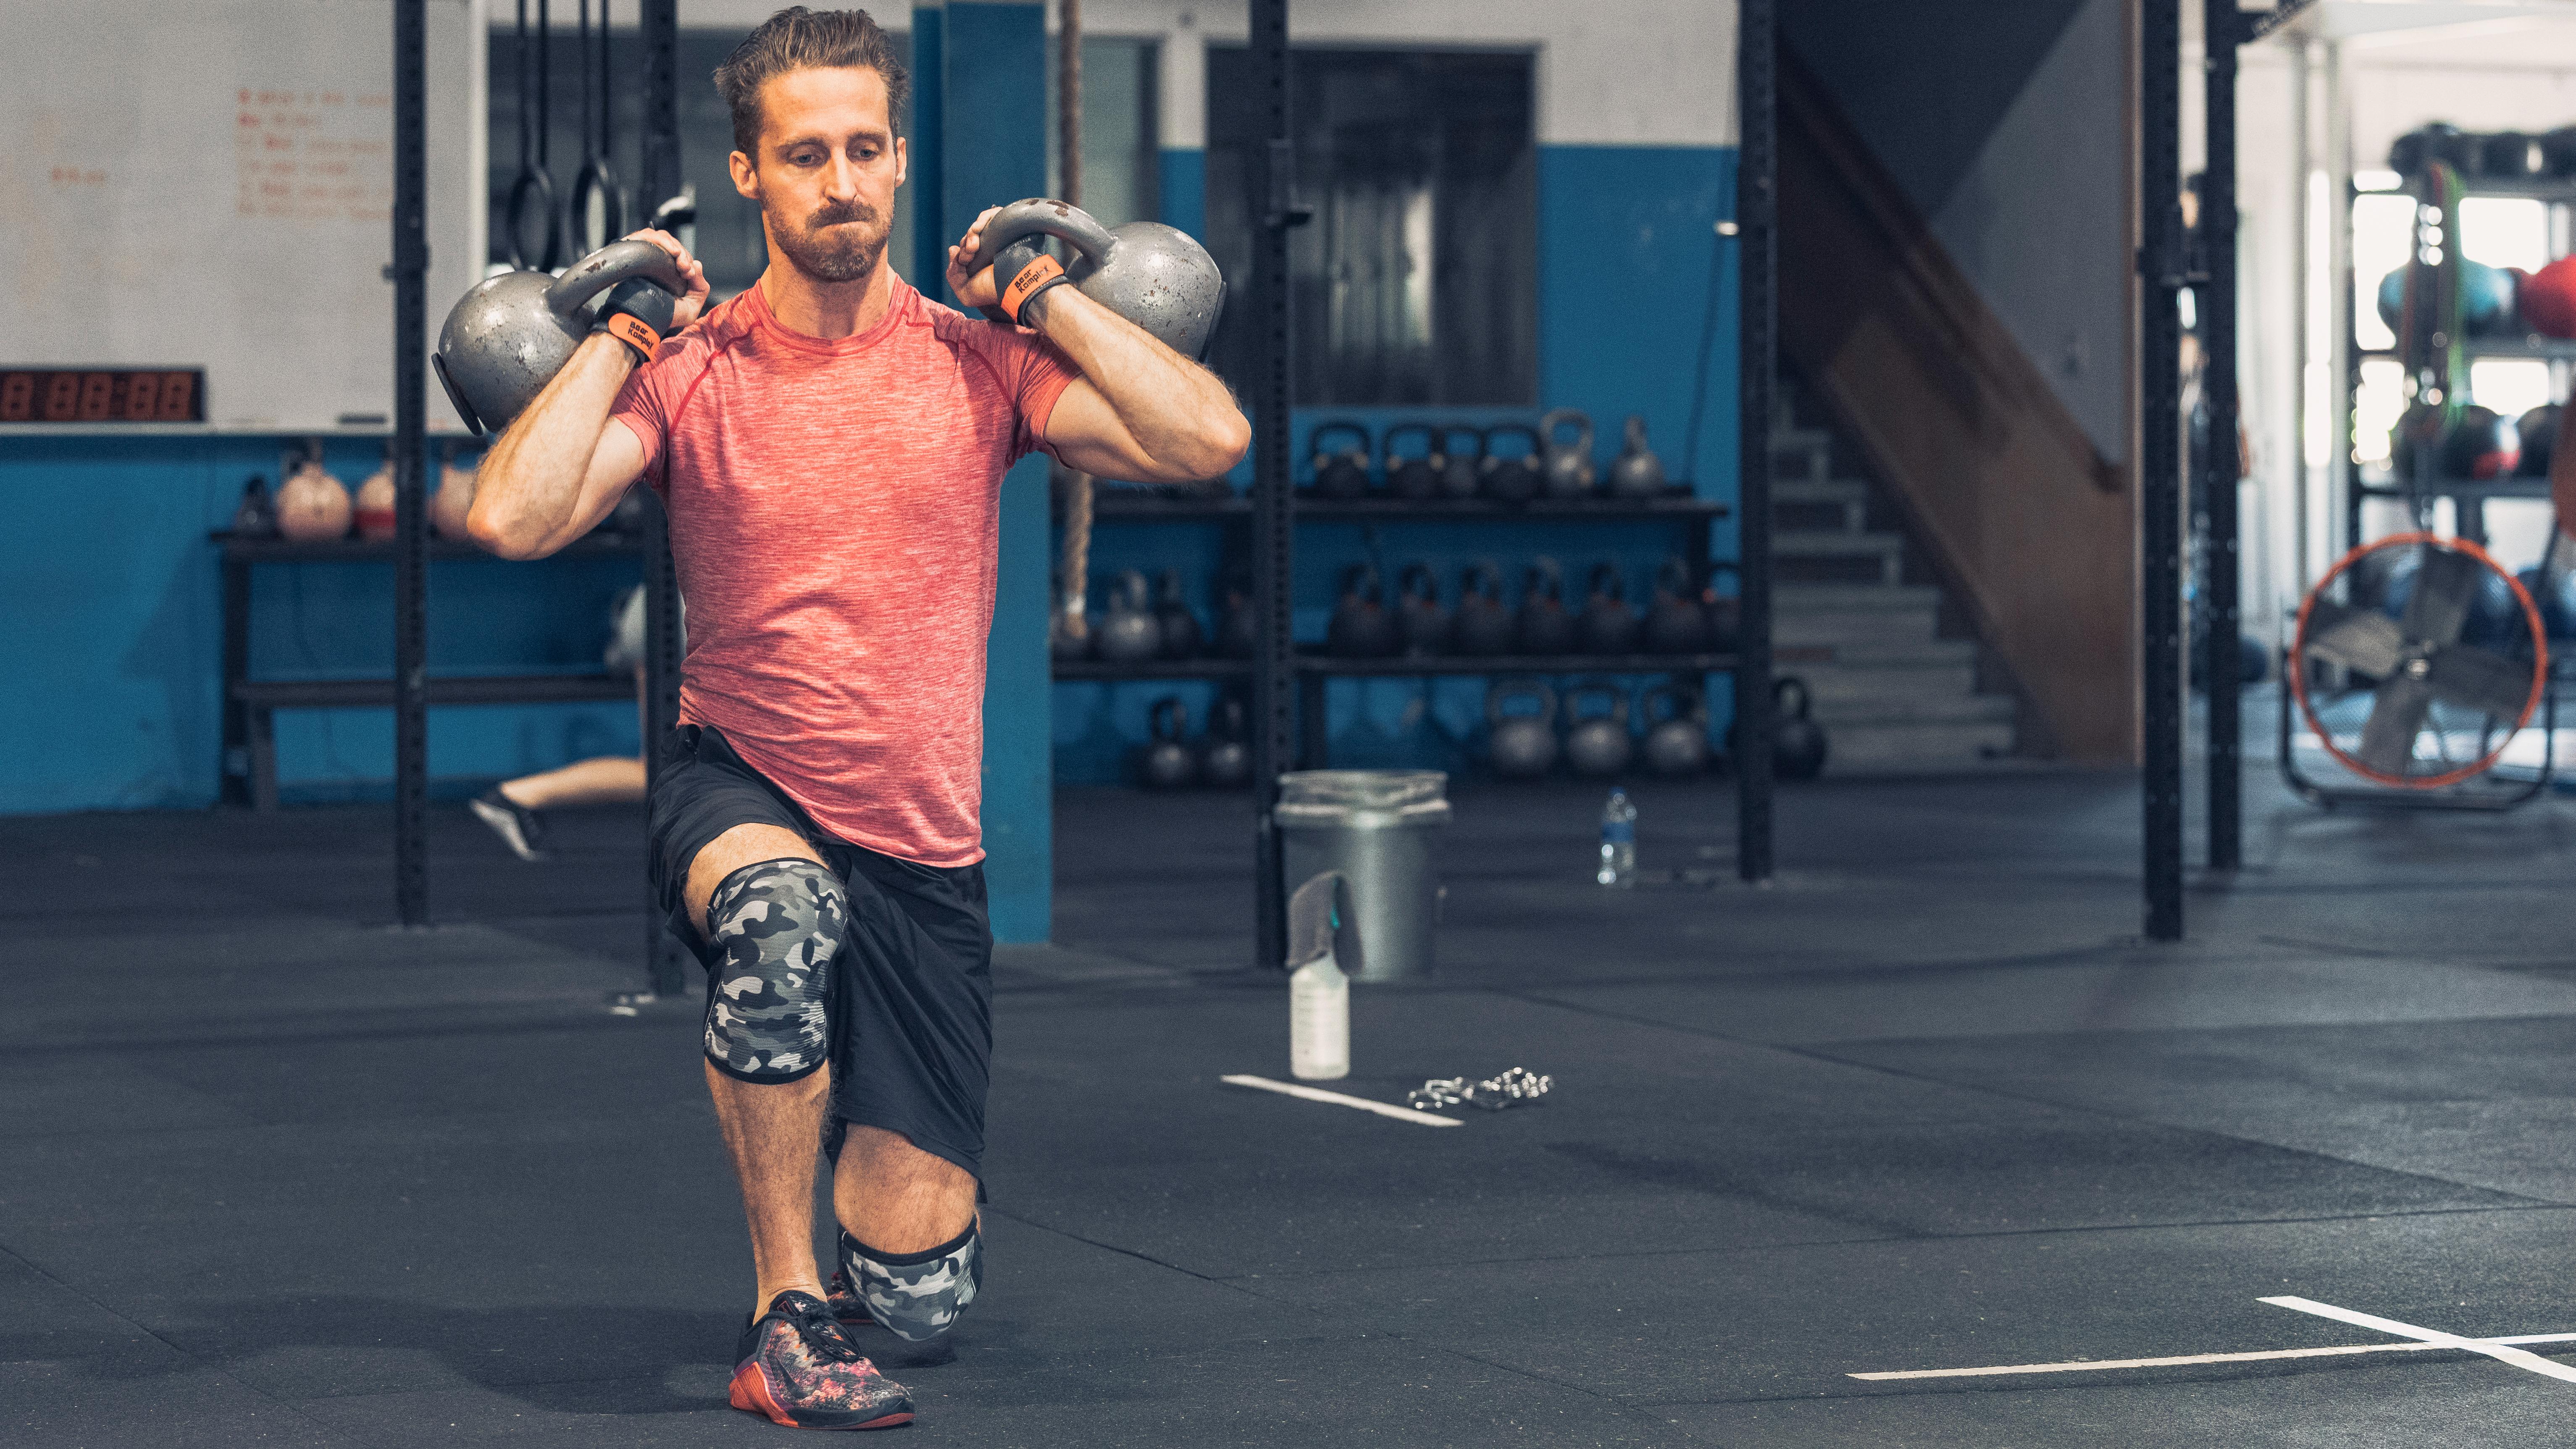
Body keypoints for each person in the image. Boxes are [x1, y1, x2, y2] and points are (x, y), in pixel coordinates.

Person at [464, 6, 1249, 1432]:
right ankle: (784, 1314)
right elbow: (510, 519)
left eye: (866, 150)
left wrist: (1044, 296)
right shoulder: (693, 369)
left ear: (898, 162)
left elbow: (1208, 440)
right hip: (741, 779)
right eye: (806, 154)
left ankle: (855, 1199)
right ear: (749, 174)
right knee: (780, 923)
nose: (842, 181)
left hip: (923, 847)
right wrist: (620, 335)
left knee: (923, 1297)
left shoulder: (979, 361)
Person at [469, 585, 675, 860]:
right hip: (674, 614)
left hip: (662, 610)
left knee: (666, 769)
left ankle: (515, 797)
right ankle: (516, 795)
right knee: (667, 770)